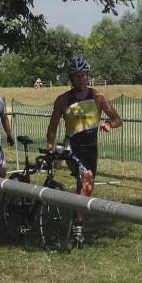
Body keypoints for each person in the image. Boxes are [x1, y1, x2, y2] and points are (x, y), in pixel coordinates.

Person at [46, 57, 122, 244]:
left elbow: (117, 119)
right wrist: (50, 148)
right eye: (76, 76)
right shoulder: (63, 100)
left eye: (83, 75)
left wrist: (108, 124)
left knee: (85, 187)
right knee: (87, 181)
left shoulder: (98, 97)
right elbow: (52, 128)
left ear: (88, 76)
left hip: (91, 148)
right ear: (71, 78)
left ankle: (76, 217)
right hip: (72, 147)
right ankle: (78, 225)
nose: (81, 79)